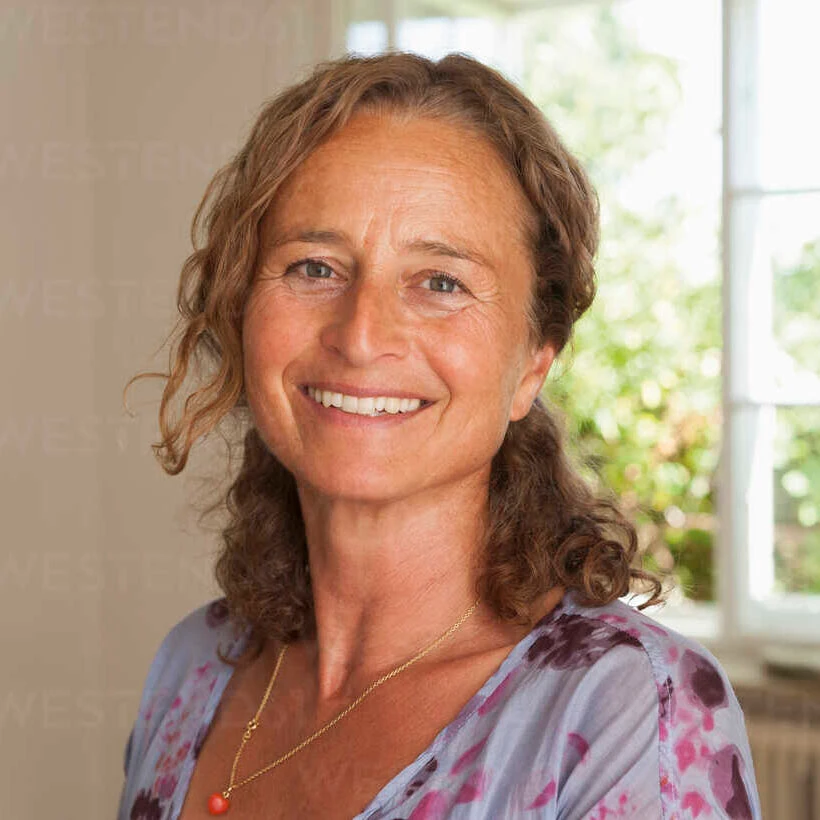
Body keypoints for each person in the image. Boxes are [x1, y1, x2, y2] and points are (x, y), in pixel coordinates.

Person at [118, 52, 761, 819]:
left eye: (441, 283)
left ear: (533, 362)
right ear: (241, 312)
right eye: (315, 267)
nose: (360, 335)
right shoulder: (195, 666)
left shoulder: (627, 712)